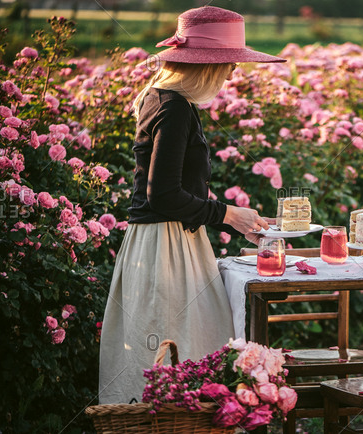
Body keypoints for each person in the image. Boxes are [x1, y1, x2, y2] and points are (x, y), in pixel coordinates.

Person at [98, 6, 286, 404]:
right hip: (165, 248)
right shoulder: (175, 108)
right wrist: (227, 213)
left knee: (176, 347)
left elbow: (174, 190)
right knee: (178, 348)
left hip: (167, 240)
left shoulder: (162, 98)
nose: (233, 73)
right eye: (229, 63)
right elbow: (162, 195)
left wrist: (231, 221)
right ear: (206, 65)